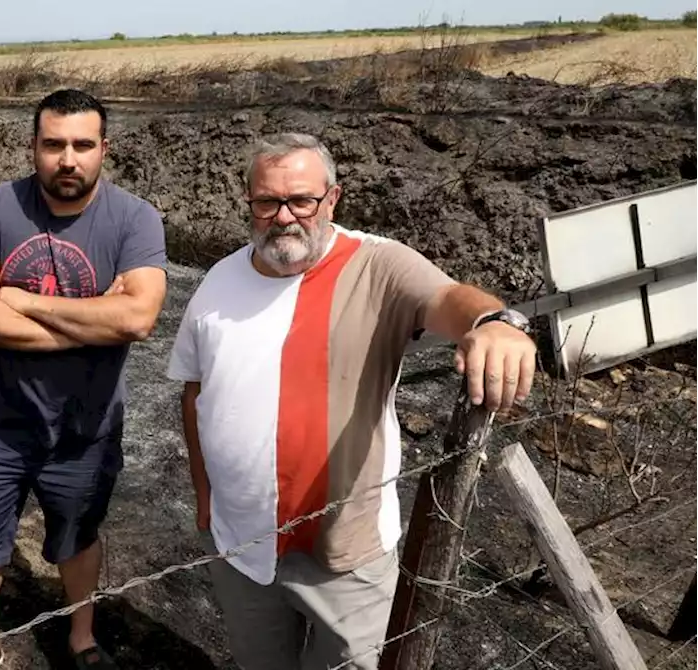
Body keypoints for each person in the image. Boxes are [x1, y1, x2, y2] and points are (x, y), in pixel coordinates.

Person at [164, 132, 537, 670]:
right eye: (267, 201)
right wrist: (205, 498)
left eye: (301, 200)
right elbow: (195, 391)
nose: (284, 216)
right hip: (239, 544)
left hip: (346, 556)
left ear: (332, 199)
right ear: (249, 201)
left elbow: (446, 297)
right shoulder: (219, 280)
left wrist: (493, 323)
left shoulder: (376, 266)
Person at [0, 88, 168, 670]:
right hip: (4, 417)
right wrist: (92, 322)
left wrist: (21, 300)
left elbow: (138, 316)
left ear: (104, 149)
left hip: (87, 423)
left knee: (77, 535)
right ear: (33, 147)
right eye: (54, 144)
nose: (68, 159)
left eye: (82, 145)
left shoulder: (134, 218)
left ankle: (81, 637)